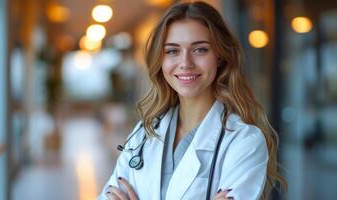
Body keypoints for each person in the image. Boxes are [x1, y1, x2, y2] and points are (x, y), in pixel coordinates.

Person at [97, 1, 286, 200]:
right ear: (160, 60)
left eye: (200, 50)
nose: (185, 63)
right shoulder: (144, 133)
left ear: (220, 56)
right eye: (172, 51)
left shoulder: (243, 141)